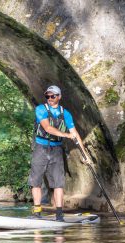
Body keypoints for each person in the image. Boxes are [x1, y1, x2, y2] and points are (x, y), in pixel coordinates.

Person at [29, 85, 91, 221]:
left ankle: (59, 214)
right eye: (48, 96)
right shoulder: (41, 109)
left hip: (57, 150)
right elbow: (47, 128)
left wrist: (85, 155)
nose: (50, 98)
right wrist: (66, 135)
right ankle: (36, 212)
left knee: (58, 183)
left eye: (53, 96)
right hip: (41, 148)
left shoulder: (66, 114)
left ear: (59, 97)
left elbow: (75, 134)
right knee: (36, 181)